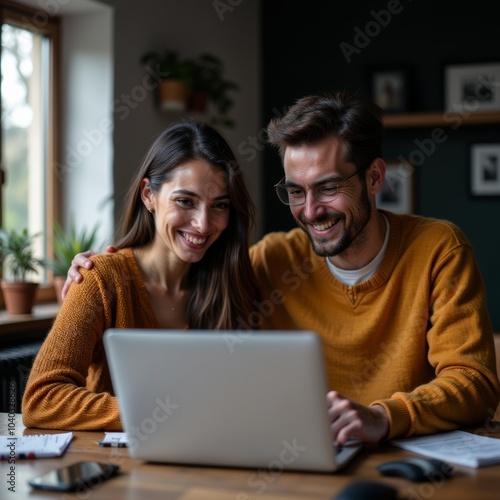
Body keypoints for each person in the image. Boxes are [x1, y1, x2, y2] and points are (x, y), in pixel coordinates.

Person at [63, 91, 500, 445]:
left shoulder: (439, 248)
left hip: (400, 462)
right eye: (295, 192)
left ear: (374, 177)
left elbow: (475, 383)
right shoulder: (271, 261)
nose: (311, 211)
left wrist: (384, 417)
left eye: (328, 188)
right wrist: (100, 272)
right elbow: (182, 279)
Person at [22, 121, 259, 431]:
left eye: (219, 206)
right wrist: (154, 415)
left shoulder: (231, 286)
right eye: (185, 201)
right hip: (115, 468)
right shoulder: (100, 279)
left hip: (203, 461)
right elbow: (41, 401)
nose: (203, 224)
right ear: (149, 195)